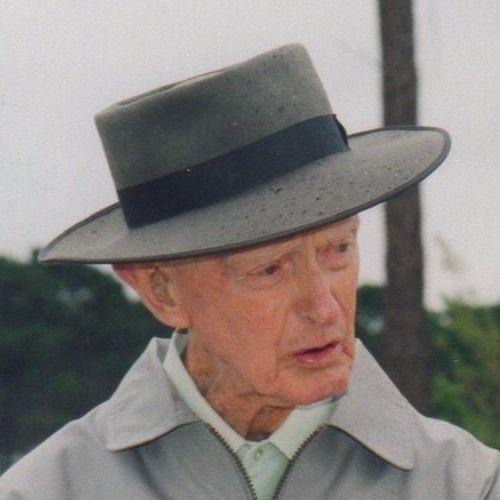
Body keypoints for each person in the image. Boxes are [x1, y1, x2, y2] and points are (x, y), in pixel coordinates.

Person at [0, 44, 498, 499]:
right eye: (269, 269)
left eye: (339, 248)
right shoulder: (48, 490)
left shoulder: (466, 484)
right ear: (162, 291)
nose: (324, 309)